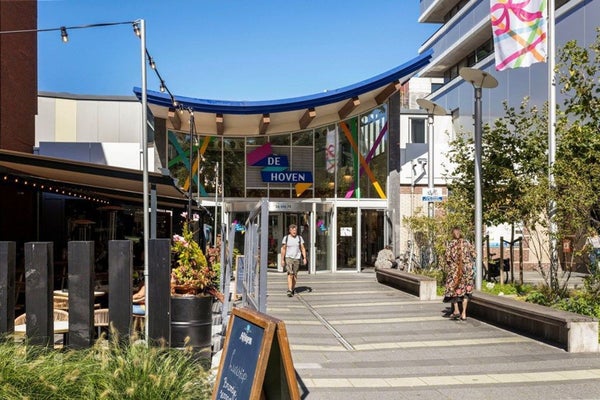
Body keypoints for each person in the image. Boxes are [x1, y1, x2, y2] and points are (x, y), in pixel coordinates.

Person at [443, 227, 475, 321]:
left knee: (452, 289)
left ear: (452, 234)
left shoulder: (451, 244)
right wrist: (468, 261)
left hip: (455, 271)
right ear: (460, 233)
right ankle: (464, 313)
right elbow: (474, 254)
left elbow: (447, 258)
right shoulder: (466, 242)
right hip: (467, 271)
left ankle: (456, 310)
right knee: (466, 291)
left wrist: (452, 265)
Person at [281, 224, 307, 297]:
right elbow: (283, 249)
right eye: (293, 230)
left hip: (297, 258)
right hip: (288, 258)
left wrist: (304, 258)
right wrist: (282, 260)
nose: (294, 232)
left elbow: (302, 248)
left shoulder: (299, 238)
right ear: (290, 231)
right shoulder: (286, 238)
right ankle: (289, 290)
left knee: (295, 274)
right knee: (290, 274)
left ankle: (292, 288)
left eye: (295, 230)